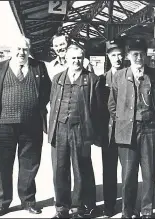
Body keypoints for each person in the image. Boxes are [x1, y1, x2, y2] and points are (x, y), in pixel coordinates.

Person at [0, 35, 51, 217]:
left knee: (30, 165)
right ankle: (3, 203)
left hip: (31, 126)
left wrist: (32, 108)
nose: (21, 52)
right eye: (18, 49)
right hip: (4, 125)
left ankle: (28, 201)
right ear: (11, 50)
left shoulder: (39, 67)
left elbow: (46, 92)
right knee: (2, 166)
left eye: (25, 49)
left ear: (28, 50)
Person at [108, 38, 155, 218]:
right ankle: (127, 211)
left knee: (149, 173)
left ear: (146, 56)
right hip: (127, 131)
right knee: (128, 175)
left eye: (142, 54)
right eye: (135, 54)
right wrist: (122, 122)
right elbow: (112, 104)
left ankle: (146, 211)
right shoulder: (119, 76)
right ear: (128, 56)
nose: (138, 57)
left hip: (149, 129)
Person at [48, 43, 100, 218]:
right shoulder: (57, 79)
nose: (76, 61)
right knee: (59, 168)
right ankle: (61, 207)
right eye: (73, 58)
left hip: (81, 129)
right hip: (60, 128)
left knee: (81, 168)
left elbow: (97, 108)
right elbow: (53, 102)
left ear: (83, 59)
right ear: (67, 59)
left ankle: (79, 205)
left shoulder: (92, 79)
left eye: (79, 58)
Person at [98, 39, 125, 217]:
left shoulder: (129, 75)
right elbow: (98, 108)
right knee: (109, 170)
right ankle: (109, 205)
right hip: (108, 132)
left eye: (120, 55)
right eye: (114, 55)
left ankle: (128, 205)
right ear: (108, 57)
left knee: (128, 170)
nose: (117, 58)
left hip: (127, 131)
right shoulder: (101, 80)